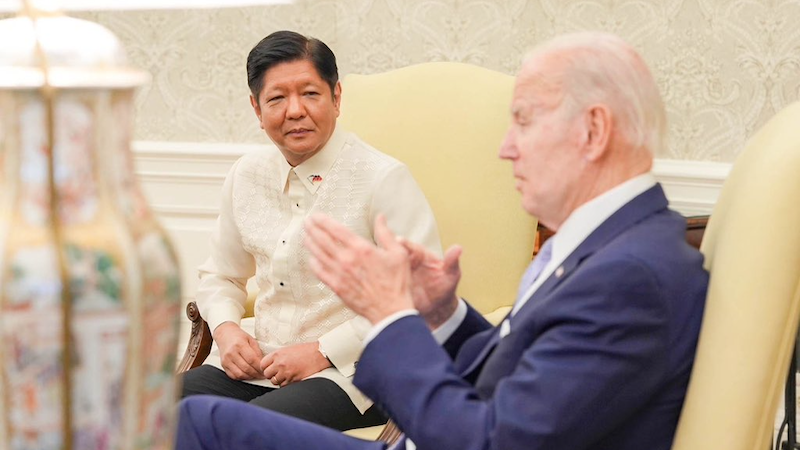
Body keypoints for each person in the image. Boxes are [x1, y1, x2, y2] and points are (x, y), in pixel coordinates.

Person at [175, 31, 709, 450]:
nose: (505, 149)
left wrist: (392, 317)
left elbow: (492, 441)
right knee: (173, 410)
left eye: (522, 122)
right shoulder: (604, 248)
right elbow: (509, 371)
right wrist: (441, 313)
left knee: (201, 424)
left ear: (592, 131)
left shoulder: (627, 277)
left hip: (372, 401)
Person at [179, 30, 442, 431]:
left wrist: (323, 351)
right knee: (151, 410)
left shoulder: (382, 179)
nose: (295, 111)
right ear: (256, 108)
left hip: (354, 375)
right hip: (259, 366)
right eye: (277, 99)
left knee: (247, 430)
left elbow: (421, 297)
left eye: (310, 94)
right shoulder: (246, 175)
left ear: (337, 98)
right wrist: (228, 331)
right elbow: (221, 275)